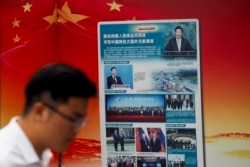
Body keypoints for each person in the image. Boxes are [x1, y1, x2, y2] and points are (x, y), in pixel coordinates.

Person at [0, 63, 97, 167]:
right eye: (72, 119)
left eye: (82, 121)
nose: (77, 130)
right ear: (40, 112)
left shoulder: (42, 153)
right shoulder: (6, 160)